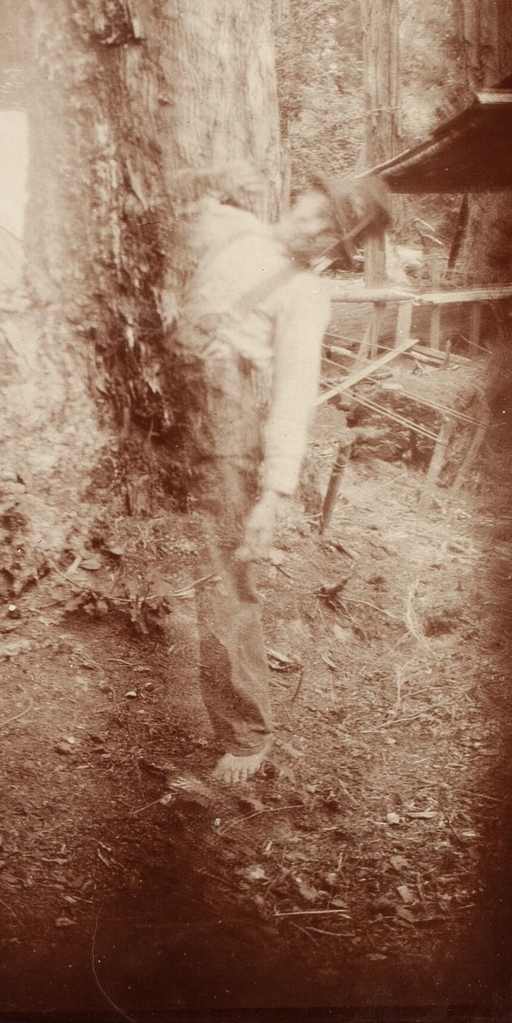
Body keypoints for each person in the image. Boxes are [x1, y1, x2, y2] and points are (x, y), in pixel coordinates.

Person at [173, 163, 392, 785]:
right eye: (315, 212)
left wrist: (273, 495)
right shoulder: (229, 228)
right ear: (300, 196)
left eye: (332, 234)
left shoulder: (305, 293)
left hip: (227, 426)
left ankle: (247, 731)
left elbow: (295, 396)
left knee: (224, 576)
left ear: (337, 251)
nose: (313, 230)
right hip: (162, 402)